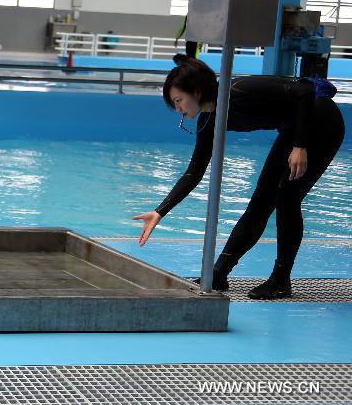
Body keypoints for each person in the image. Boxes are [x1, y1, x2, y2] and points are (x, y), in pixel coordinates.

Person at [132, 55, 344, 300]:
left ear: (197, 91)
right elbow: (194, 172)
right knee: (262, 199)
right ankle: (220, 273)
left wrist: (300, 146)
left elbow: (305, 92)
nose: (178, 108)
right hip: (294, 129)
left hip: (321, 122)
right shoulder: (209, 120)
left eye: (179, 100)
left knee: (287, 198)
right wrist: (160, 211)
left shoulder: (240, 90)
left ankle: (280, 281)